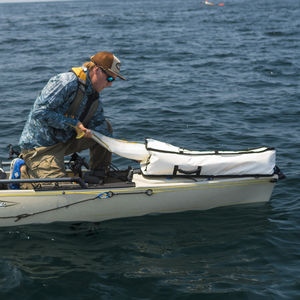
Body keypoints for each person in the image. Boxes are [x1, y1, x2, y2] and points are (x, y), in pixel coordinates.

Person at [15, 51, 126, 186]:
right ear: (96, 70)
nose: (110, 85)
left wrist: (124, 151)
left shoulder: (93, 94)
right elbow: (40, 112)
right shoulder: (65, 82)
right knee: (62, 189)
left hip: (65, 141)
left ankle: (99, 174)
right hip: (41, 147)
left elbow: (100, 126)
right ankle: (23, 171)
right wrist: (73, 123)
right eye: (110, 79)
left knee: (105, 127)